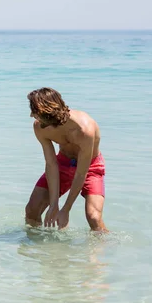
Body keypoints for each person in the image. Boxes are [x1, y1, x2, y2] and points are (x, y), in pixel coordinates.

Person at [24, 87, 107, 232]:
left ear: (47, 110)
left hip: (90, 167)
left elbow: (82, 173)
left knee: (93, 217)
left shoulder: (84, 129)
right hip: (62, 163)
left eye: (34, 110)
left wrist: (66, 209)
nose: (31, 115)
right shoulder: (40, 127)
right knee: (32, 210)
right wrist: (54, 205)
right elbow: (51, 164)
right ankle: (35, 248)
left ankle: (99, 252)